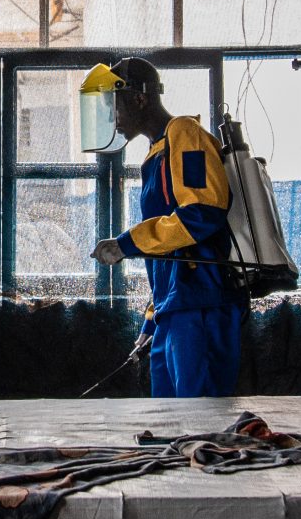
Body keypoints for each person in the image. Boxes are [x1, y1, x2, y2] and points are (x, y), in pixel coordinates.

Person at [86, 55, 247, 397]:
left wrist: (127, 243)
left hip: (201, 306)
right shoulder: (157, 150)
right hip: (173, 309)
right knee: (167, 424)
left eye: (114, 107)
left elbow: (203, 212)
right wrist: (151, 319)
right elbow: (168, 254)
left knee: (198, 425)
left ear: (139, 99)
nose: (111, 119)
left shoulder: (184, 134)